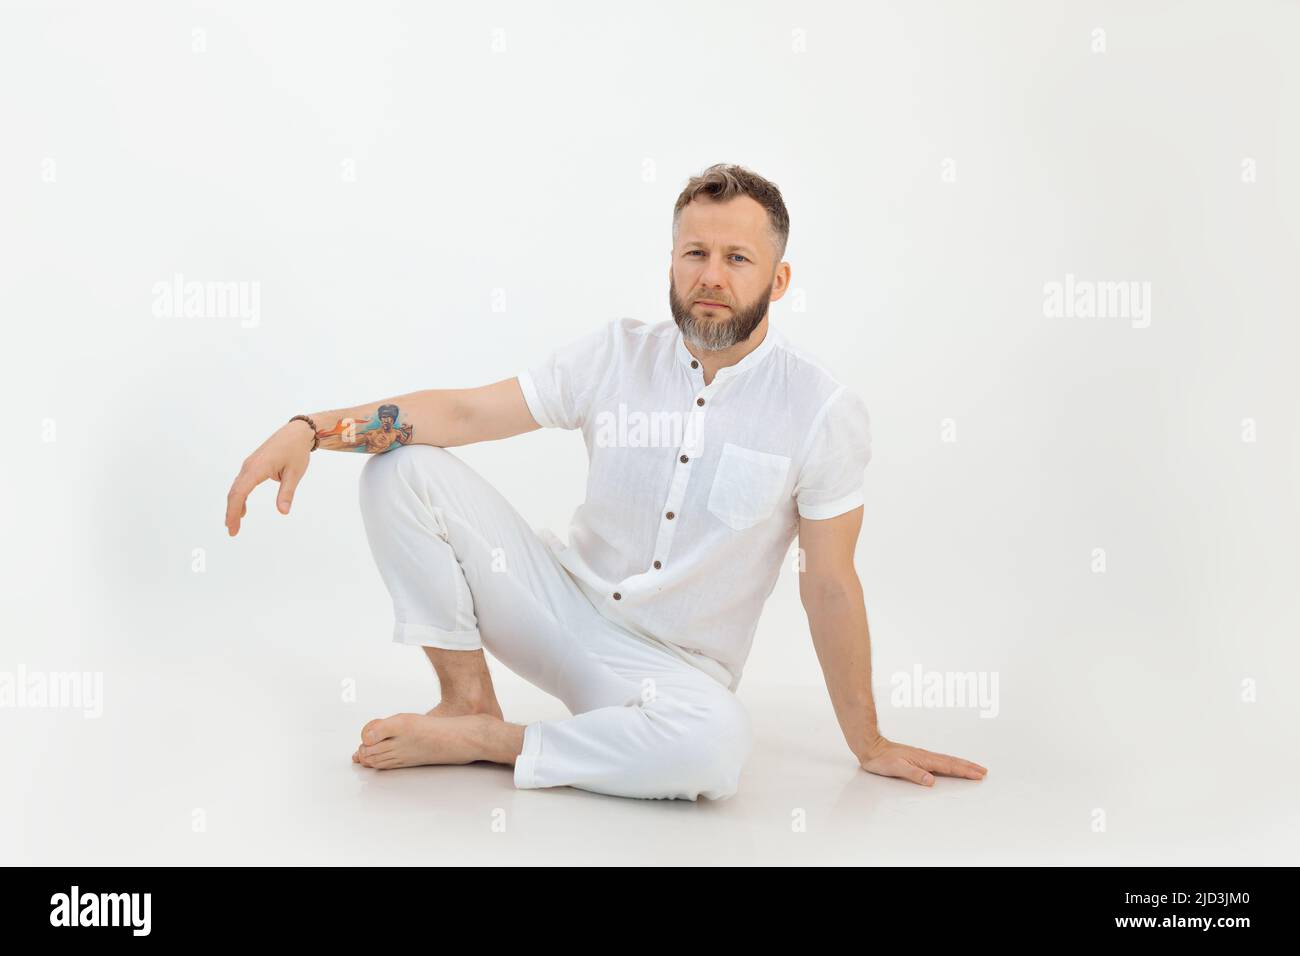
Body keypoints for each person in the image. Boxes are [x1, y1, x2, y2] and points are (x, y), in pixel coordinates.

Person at [224, 163, 988, 800]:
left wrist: (868, 739)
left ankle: (497, 742)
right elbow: (462, 411)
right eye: (695, 254)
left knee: (717, 750)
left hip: (670, 674)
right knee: (403, 468)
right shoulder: (615, 356)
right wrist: (312, 429)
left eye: (737, 258)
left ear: (778, 279)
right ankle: (465, 700)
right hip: (556, 604)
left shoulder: (821, 410)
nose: (711, 277)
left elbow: (828, 582)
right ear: (670, 262)